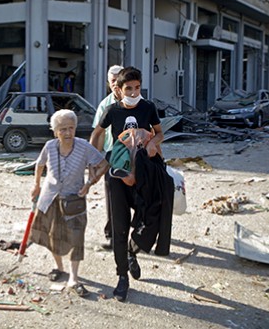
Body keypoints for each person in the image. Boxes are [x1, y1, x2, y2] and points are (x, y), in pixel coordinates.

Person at [89, 66, 168, 302]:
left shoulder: (148, 107)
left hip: (145, 171)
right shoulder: (112, 111)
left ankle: (133, 250)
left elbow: (160, 132)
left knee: (152, 218)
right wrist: (95, 160)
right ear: (120, 90)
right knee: (120, 227)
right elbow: (97, 133)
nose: (133, 92)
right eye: (128, 89)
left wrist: (153, 141)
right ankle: (122, 276)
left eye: (137, 88)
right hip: (119, 174)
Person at [29, 109, 108, 297]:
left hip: (74, 200)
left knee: (76, 237)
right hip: (50, 197)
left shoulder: (83, 147)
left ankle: (74, 278)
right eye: (63, 129)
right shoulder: (49, 146)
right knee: (51, 234)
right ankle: (59, 267)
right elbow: (39, 165)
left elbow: (104, 164)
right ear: (55, 131)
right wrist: (36, 185)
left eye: (71, 128)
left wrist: (90, 183)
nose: (67, 133)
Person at [92, 65, 124, 249]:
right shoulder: (105, 105)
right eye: (112, 81)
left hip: (134, 154)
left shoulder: (138, 102)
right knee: (113, 197)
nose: (115, 84)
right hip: (113, 155)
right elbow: (99, 134)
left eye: (117, 80)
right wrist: (95, 161)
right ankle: (113, 236)